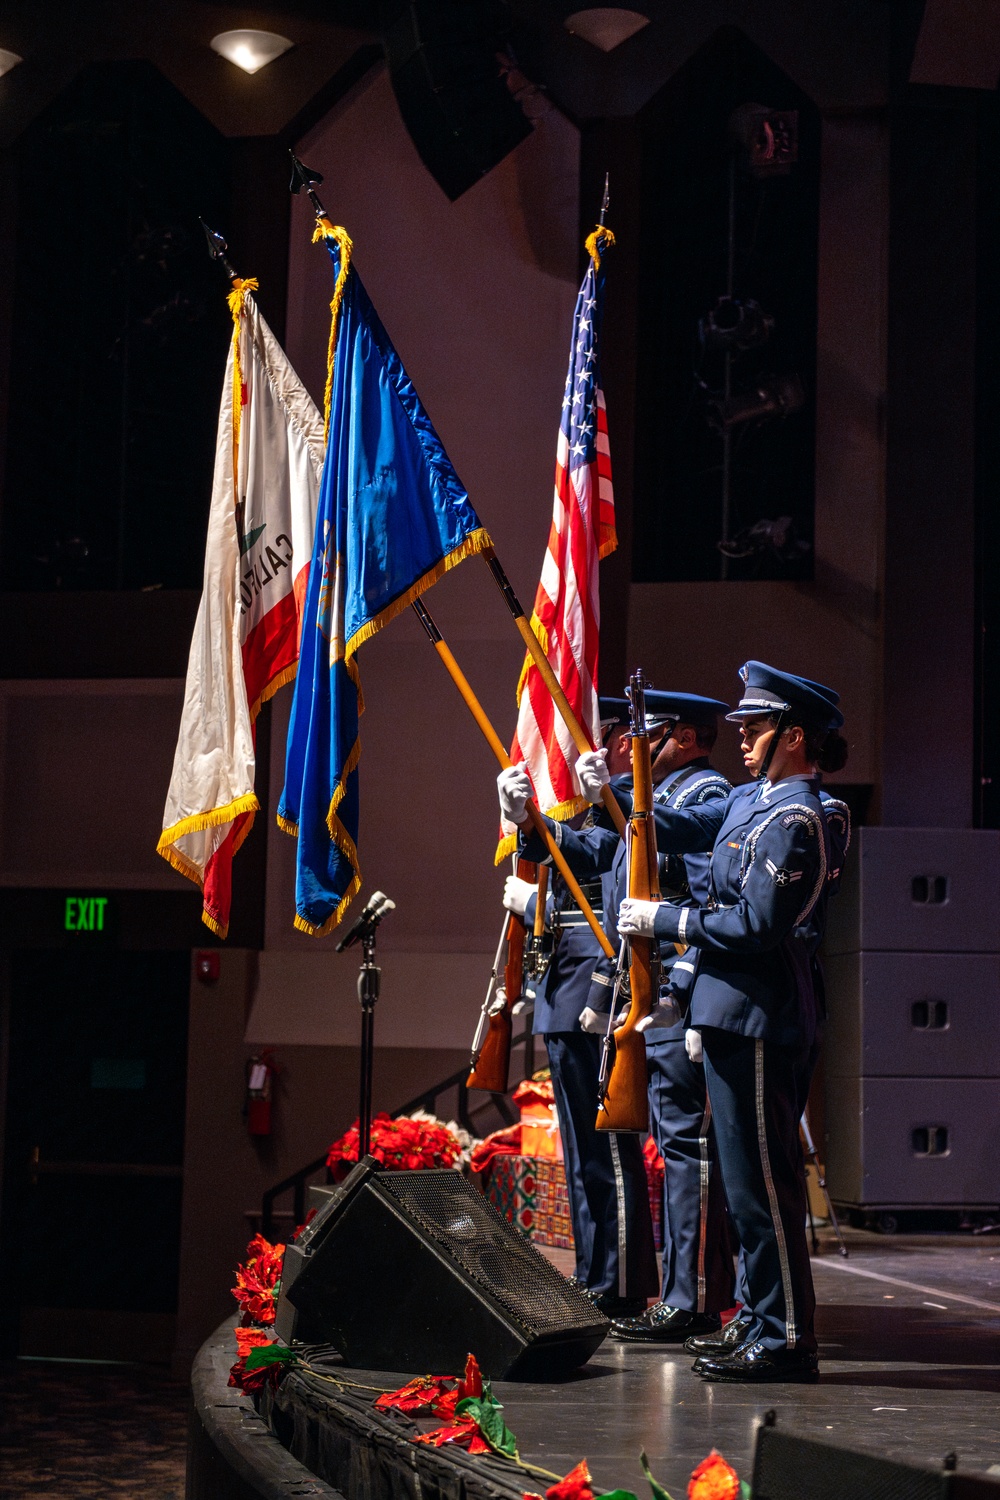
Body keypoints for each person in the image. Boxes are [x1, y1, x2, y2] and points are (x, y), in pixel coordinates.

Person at [612, 661, 849, 1383]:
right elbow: (673, 825)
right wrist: (614, 792)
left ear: (795, 736)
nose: (742, 737)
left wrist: (668, 918)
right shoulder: (753, 801)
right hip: (726, 1008)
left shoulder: (807, 815)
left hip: (760, 1012)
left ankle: (785, 1338)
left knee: (764, 1186)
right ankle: (756, 1313)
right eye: (742, 727)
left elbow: (755, 924)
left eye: (757, 727)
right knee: (746, 1188)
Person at [498, 690, 736, 1339]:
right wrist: (531, 825)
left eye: (644, 733)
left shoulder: (705, 795)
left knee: (687, 1153)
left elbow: (701, 894)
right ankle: (632, 1284)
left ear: (685, 737)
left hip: (674, 999)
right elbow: (594, 852)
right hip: (637, 998)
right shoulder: (645, 804)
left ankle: (689, 1296)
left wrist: (681, 994)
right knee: (627, 1145)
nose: (628, 746)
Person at [502, 698, 658, 1317]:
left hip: (597, 981)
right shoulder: (599, 808)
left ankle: (618, 1284)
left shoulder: (630, 808)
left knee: (609, 1150)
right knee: (580, 1149)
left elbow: (609, 856)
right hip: (564, 983)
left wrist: (545, 836)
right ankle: (597, 1271)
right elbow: (573, 852)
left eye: (607, 735)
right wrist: (528, 822)